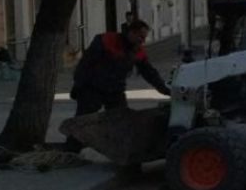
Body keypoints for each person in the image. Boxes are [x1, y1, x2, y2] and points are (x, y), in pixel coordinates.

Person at [66, 19, 171, 152]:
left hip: (115, 90)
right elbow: (85, 64)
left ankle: (122, 153)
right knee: (83, 120)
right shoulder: (106, 41)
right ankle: (71, 151)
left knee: (121, 121)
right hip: (92, 88)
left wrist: (166, 90)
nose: (142, 41)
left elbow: (149, 73)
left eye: (144, 38)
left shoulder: (137, 51)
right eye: (140, 37)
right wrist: (79, 85)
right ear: (131, 33)